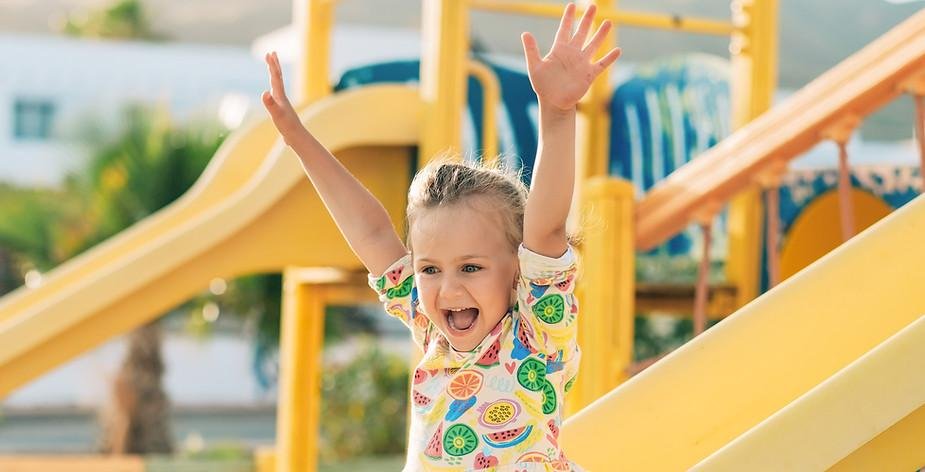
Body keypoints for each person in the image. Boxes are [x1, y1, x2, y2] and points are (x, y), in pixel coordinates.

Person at [262, 3, 621, 470]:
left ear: (519, 269)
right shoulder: (432, 329)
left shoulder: (536, 333)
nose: (448, 289)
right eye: (430, 269)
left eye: (470, 267)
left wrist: (557, 114)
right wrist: (298, 139)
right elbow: (372, 232)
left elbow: (546, 227)